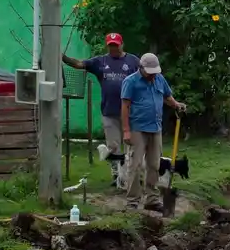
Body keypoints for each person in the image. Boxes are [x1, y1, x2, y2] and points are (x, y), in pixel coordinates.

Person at [63, 32, 139, 187]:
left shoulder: (133, 61)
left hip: (131, 111)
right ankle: (117, 176)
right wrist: (62, 57)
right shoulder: (100, 61)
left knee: (132, 144)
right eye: (110, 45)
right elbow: (79, 64)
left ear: (122, 44)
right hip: (109, 111)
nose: (113, 48)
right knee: (113, 146)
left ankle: (132, 175)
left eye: (116, 45)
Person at [119, 52, 187, 209]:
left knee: (154, 165)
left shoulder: (159, 79)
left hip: (155, 128)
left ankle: (152, 200)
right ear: (141, 68)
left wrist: (176, 105)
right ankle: (132, 202)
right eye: (150, 73)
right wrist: (126, 130)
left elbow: (167, 97)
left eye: (155, 72)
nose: (152, 76)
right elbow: (125, 107)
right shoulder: (131, 82)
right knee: (134, 166)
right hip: (137, 129)